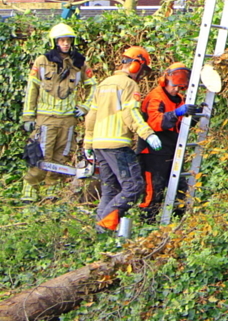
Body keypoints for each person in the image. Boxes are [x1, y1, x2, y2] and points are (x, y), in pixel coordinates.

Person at [83, 47, 164, 232]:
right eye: (143, 70)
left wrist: (88, 143)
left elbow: (91, 116)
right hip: (117, 144)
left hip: (99, 145)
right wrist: (148, 134)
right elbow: (131, 113)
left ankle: (100, 234)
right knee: (134, 186)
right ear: (136, 65)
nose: (142, 75)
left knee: (110, 190)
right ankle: (105, 226)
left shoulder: (103, 84)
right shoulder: (129, 85)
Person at [20, 22, 97, 202]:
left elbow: (93, 86)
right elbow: (32, 88)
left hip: (68, 119)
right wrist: (28, 116)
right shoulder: (42, 61)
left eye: (68, 40)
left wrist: (84, 107)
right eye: (62, 40)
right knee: (41, 155)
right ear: (55, 42)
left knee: (61, 156)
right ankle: (30, 190)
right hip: (46, 118)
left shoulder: (79, 63)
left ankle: (52, 190)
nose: (65, 43)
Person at [138, 62, 201, 221]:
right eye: (174, 86)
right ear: (166, 80)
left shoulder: (179, 99)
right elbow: (155, 122)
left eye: (180, 87)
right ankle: (146, 224)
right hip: (152, 152)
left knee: (181, 190)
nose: (176, 90)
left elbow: (180, 125)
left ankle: (179, 224)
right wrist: (176, 113)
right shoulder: (156, 97)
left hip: (172, 150)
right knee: (154, 191)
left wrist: (196, 114)